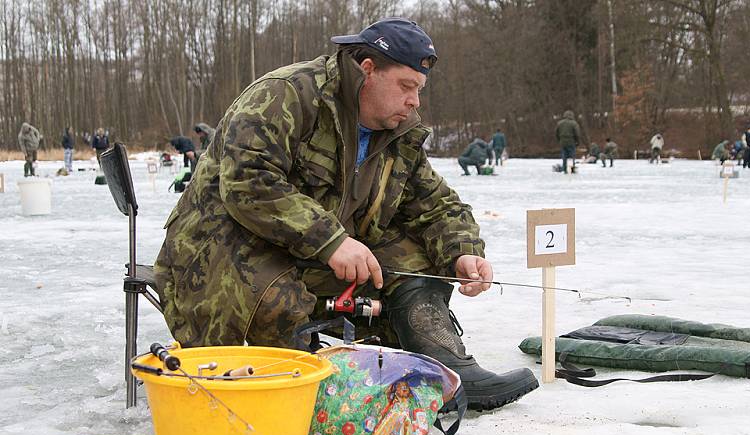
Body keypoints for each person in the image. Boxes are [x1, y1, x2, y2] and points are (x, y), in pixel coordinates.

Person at [153, 18, 536, 411]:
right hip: (219, 249)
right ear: (367, 69)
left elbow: (435, 202)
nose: (415, 102)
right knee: (277, 299)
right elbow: (248, 182)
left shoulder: (396, 133)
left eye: (419, 90)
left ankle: (445, 369)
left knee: (412, 263)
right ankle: (308, 395)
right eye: (406, 87)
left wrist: (463, 251)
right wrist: (332, 241)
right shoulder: (288, 95)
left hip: (308, 253)